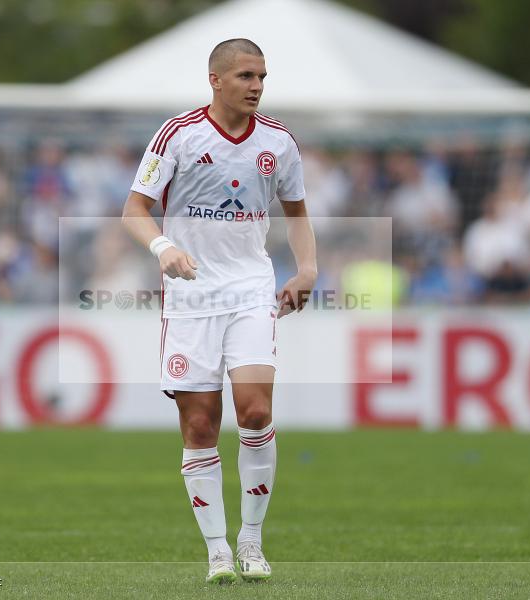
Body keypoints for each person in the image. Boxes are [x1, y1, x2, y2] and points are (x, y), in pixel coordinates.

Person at [121, 38, 316, 584]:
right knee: (201, 424)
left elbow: (297, 213)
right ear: (217, 80)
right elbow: (134, 209)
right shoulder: (178, 135)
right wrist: (164, 248)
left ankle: (252, 541)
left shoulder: (279, 143)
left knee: (254, 412)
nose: (256, 86)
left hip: (252, 289)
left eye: (262, 77)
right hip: (190, 296)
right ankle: (217, 551)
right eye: (246, 76)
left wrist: (307, 270)